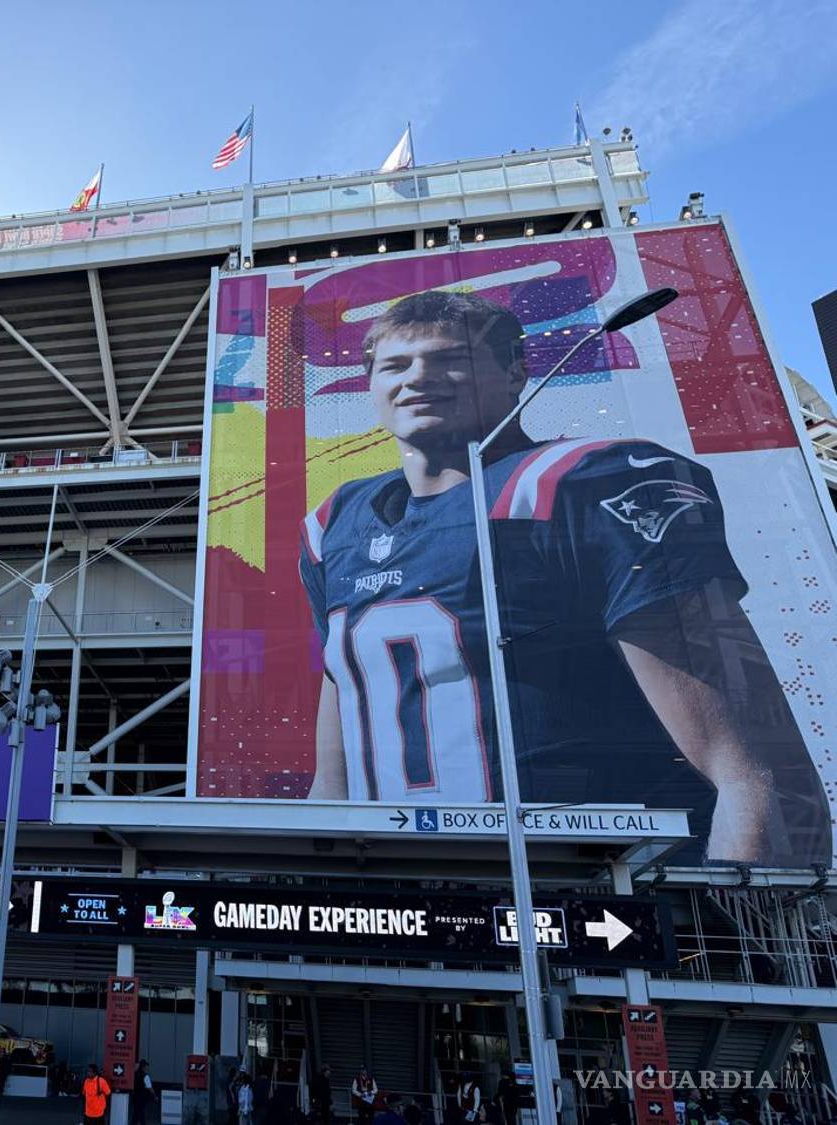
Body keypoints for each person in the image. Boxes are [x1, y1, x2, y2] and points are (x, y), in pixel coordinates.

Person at [299, 289, 830, 867]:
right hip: (403, 884)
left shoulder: (583, 483)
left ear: (515, 371)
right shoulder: (336, 523)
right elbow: (340, 734)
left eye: (452, 358)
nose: (419, 378)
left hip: (594, 880)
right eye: (396, 365)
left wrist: (746, 922)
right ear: (371, 386)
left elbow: (749, 765)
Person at [130, 1059, 157, 1125]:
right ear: (143, 1067)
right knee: (139, 1113)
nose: (147, 1068)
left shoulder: (134, 1074)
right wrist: (155, 1096)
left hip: (135, 1097)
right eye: (146, 1066)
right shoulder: (145, 1076)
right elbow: (150, 1088)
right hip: (142, 1098)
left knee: (138, 1113)